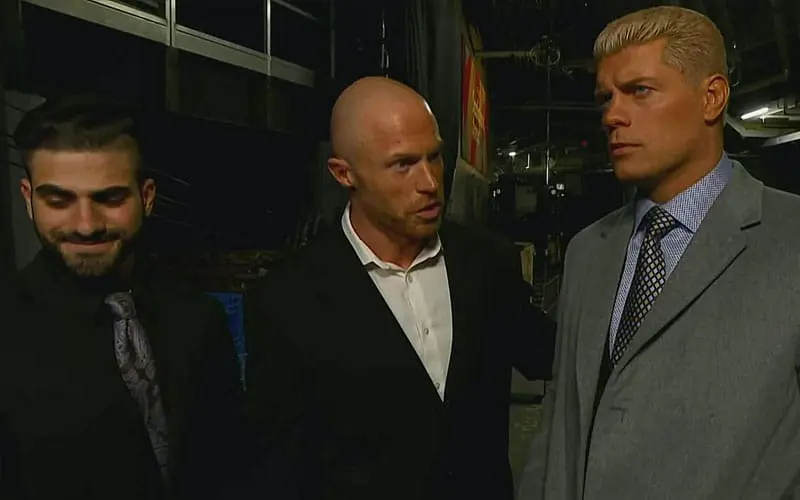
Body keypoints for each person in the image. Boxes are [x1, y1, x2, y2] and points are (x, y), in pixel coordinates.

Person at [518, 6, 800, 499]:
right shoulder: (587, 252)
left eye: (640, 91)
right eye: (606, 97)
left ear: (712, 98)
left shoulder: (789, 237)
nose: (612, 115)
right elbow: (560, 417)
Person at [243, 76, 555, 499]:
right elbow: (279, 470)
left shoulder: (487, 264)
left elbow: (557, 356)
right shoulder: (287, 299)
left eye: (434, 157)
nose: (430, 182)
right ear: (344, 173)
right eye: (402, 164)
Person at [1, 96, 248, 500]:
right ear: (28, 198)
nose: (86, 225)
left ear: (146, 196)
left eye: (109, 198)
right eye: (58, 200)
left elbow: (229, 465)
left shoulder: (197, 316)